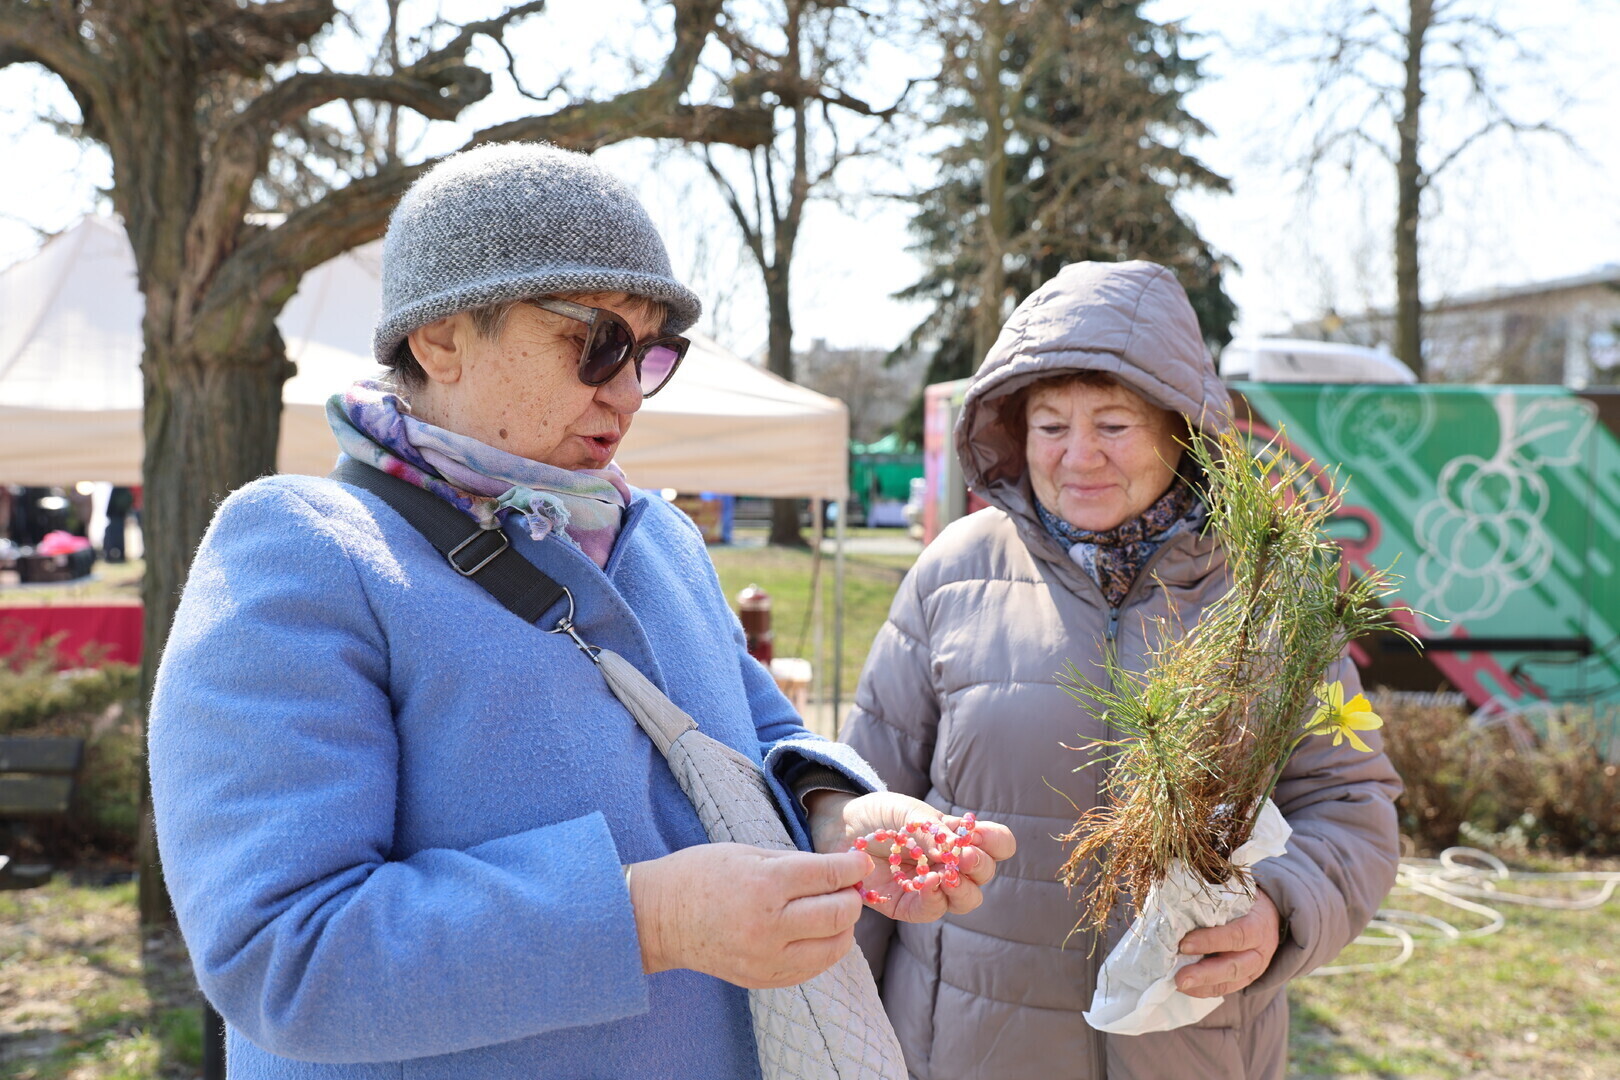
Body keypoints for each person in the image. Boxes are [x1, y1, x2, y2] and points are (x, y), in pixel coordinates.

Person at [148, 142, 1013, 1080]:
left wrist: (839, 813)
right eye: (594, 342)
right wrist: (651, 918)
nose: (628, 392)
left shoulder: (657, 537)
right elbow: (285, 955)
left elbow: (751, 732)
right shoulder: (303, 551)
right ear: (439, 338)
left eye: (649, 353)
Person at [840, 260, 1401, 1080]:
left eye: (1113, 424)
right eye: (1050, 426)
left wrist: (1280, 910)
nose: (1078, 458)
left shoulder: (1266, 593)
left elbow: (1349, 805)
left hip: (1194, 1048)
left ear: (1182, 429)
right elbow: (863, 804)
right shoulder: (952, 573)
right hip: (964, 1045)